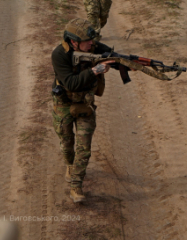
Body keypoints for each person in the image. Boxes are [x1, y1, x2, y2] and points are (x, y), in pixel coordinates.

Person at [51, 18, 115, 203]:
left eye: (91, 40)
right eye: (87, 41)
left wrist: (125, 63)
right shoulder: (59, 54)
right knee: (66, 143)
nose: (91, 43)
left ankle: (76, 186)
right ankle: (70, 165)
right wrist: (95, 71)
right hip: (63, 104)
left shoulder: (93, 47)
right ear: (73, 41)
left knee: (84, 148)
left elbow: (113, 56)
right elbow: (70, 82)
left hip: (85, 105)